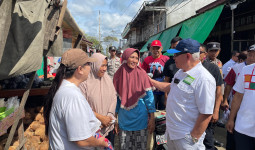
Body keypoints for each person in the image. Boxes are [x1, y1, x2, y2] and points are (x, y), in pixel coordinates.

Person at [150, 38, 216, 150]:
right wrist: (150, 81)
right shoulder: (181, 72)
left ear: (188, 56)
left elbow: (206, 113)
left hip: (186, 139)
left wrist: (193, 138)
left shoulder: (203, 79)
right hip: (172, 133)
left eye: (176, 55)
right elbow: (170, 87)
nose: (173, 58)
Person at [43, 48, 108, 149]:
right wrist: (100, 143)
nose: (90, 68)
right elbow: (82, 140)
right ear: (80, 69)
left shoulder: (65, 89)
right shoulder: (72, 96)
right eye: (88, 64)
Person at [114, 48, 156, 150]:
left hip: (140, 119)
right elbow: (116, 100)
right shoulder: (118, 75)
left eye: (136, 58)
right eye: (132, 57)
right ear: (125, 57)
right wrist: (115, 120)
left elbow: (149, 98)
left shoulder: (142, 74)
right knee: (125, 147)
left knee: (140, 147)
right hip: (124, 120)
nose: (134, 60)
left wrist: (152, 118)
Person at [79, 53, 117, 146]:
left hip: (108, 126)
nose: (104, 68)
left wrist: (108, 118)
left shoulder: (107, 79)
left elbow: (113, 98)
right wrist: (100, 119)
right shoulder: (84, 82)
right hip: (92, 129)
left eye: (106, 65)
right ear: (94, 65)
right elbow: (82, 106)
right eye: (102, 65)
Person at [222, 46, 255, 150]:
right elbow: (238, 96)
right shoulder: (246, 70)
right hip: (243, 127)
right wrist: (231, 119)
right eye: (250, 54)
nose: (252, 57)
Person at [200, 44, 224, 150]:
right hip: (194, 111)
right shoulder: (188, 67)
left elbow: (219, 91)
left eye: (199, 53)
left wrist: (216, 111)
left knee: (208, 140)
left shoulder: (214, 67)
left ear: (204, 54)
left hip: (208, 109)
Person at [142, 40, 169, 110]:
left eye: (157, 48)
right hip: (151, 91)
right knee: (151, 110)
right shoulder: (146, 60)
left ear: (161, 48)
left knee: (162, 111)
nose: (155, 50)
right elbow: (142, 74)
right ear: (150, 49)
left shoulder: (166, 59)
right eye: (153, 48)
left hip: (163, 91)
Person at [163, 37, 182, 105]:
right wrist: (166, 97)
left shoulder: (188, 61)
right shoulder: (168, 63)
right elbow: (166, 81)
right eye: (173, 47)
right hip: (172, 95)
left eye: (177, 46)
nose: (175, 49)